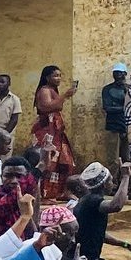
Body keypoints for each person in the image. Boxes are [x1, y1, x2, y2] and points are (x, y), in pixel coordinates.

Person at [32, 65, 79, 198]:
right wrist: (65, 95)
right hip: (48, 132)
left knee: (65, 162)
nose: (58, 78)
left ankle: (61, 192)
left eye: (59, 76)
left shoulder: (52, 90)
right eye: (55, 76)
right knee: (49, 162)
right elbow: (47, 107)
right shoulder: (45, 90)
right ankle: (45, 193)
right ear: (47, 78)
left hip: (57, 132)